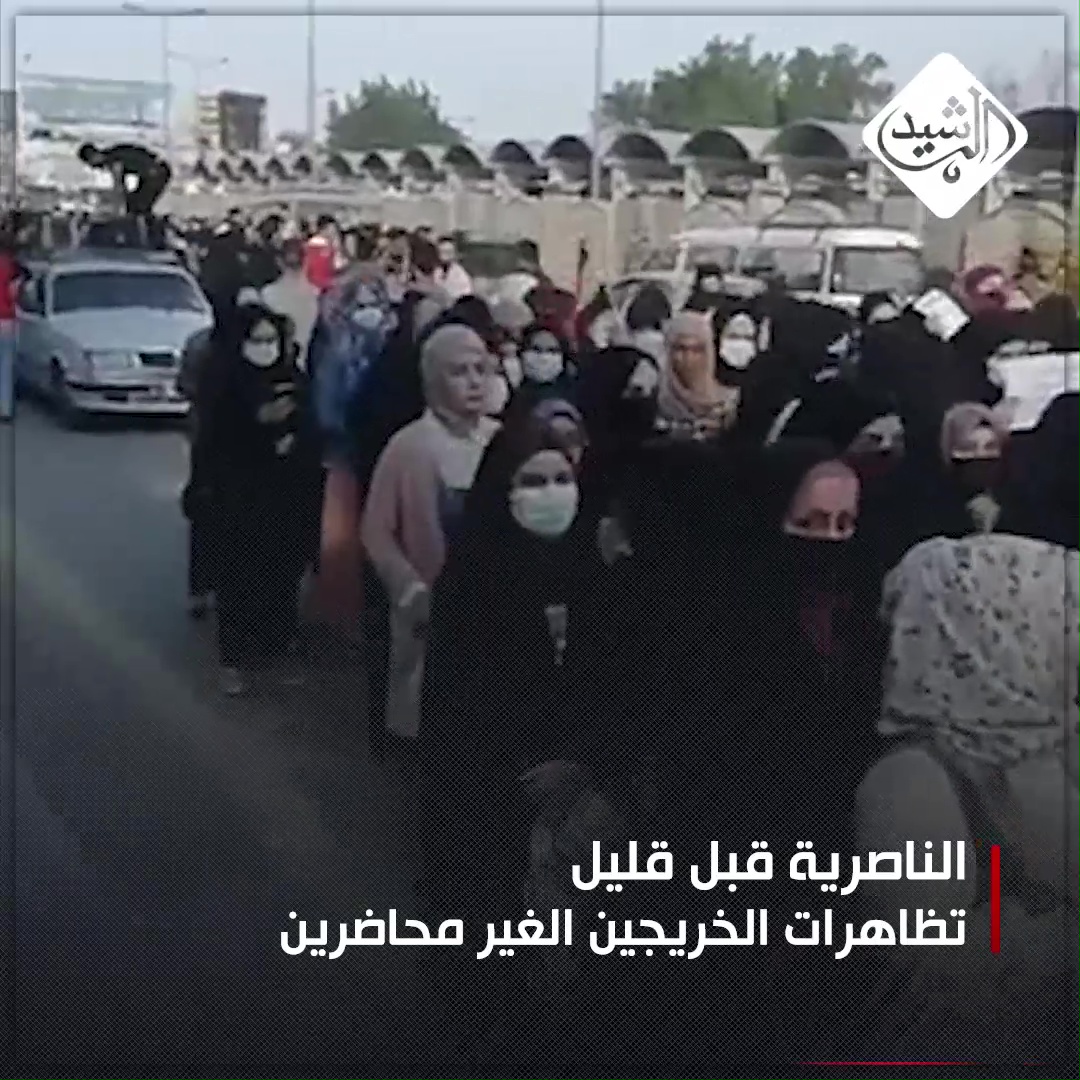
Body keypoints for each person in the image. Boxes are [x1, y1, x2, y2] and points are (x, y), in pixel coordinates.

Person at [851, 533, 1080, 1063]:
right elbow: (926, 982)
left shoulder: (1049, 743)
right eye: (1061, 619)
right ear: (1000, 632)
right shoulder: (908, 785)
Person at [360, 324, 500, 756]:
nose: (474, 382)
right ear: (434, 379)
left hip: (492, 600)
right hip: (430, 605)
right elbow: (376, 530)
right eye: (459, 372)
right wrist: (408, 588)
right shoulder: (410, 446)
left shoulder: (500, 439)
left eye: (480, 369)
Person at [192, 303, 322, 696]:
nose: (265, 348)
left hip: (285, 498)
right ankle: (233, 660)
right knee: (237, 579)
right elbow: (211, 443)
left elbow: (311, 428)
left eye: (271, 340)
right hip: (238, 500)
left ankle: (277, 648)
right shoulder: (224, 383)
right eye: (256, 340)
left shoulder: (292, 379)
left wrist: (293, 438)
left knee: (280, 578)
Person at [656, 310, 738, 435]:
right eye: (680, 349)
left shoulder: (729, 404)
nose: (689, 358)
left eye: (697, 350)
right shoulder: (654, 403)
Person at [0, 222, 26, 421]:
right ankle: (5, 409)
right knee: (5, 366)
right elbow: (13, 293)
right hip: (6, 319)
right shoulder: (12, 267)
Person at [435, 235, 473, 300]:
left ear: (454, 253)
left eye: (449, 252)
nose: (445, 256)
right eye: (442, 252)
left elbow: (466, 293)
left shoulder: (461, 275)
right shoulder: (435, 270)